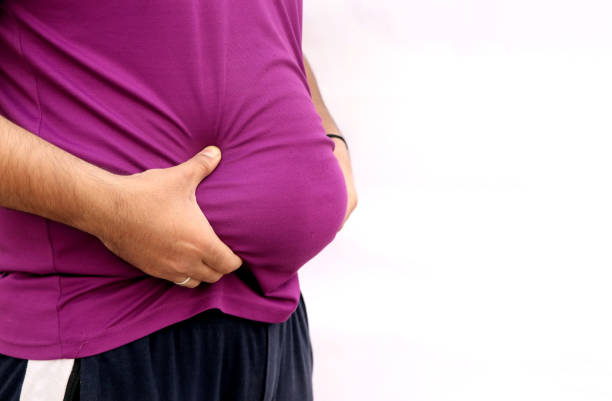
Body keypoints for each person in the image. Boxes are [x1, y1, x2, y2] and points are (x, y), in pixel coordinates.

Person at [0, 1, 357, 400]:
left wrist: (325, 130)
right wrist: (106, 208)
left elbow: (260, 25)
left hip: (274, 323)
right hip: (102, 325)